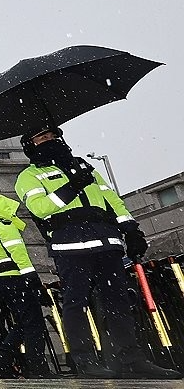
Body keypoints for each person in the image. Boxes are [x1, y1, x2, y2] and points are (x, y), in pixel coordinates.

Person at [15, 126, 180, 379]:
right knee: (76, 304)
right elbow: (41, 208)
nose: (50, 140)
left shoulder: (84, 167)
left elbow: (111, 199)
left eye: (53, 136)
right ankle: (85, 361)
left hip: (106, 243)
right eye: (42, 137)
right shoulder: (29, 176)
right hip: (71, 249)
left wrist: (131, 228)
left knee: (119, 303)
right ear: (30, 145)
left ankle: (131, 359)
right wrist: (71, 187)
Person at [0, 194, 53, 377]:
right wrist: (34, 282)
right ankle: (36, 367)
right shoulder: (4, 226)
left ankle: (3, 360)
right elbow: (19, 255)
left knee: (23, 322)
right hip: (16, 279)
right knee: (34, 324)